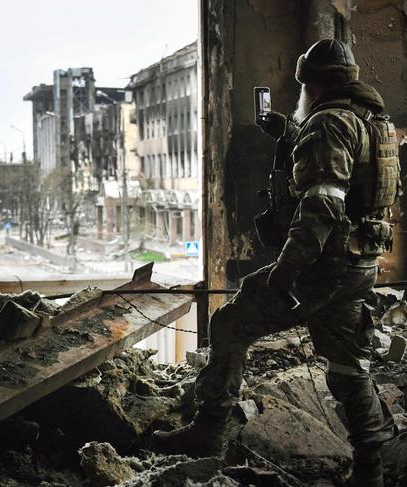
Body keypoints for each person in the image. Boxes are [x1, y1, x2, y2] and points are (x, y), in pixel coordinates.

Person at [152, 39, 399, 487]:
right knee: (347, 365)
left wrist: (284, 276)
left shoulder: (327, 124)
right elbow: (351, 179)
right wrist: (288, 133)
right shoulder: (373, 121)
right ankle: (372, 469)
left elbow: (322, 208)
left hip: (319, 268)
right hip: (359, 265)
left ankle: (209, 433)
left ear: (311, 84)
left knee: (229, 325)